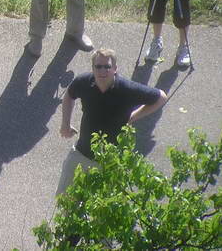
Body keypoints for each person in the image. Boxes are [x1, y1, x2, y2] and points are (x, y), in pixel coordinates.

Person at [56, 48, 167, 196]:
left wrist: (133, 116)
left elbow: (161, 97)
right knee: (64, 198)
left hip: (109, 161)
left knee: (101, 209)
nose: (103, 70)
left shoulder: (127, 89)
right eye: (98, 66)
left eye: (107, 66)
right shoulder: (83, 82)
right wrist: (65, 124)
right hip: (81, 152)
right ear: (93, 68)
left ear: (115, 69)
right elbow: (69, 95)